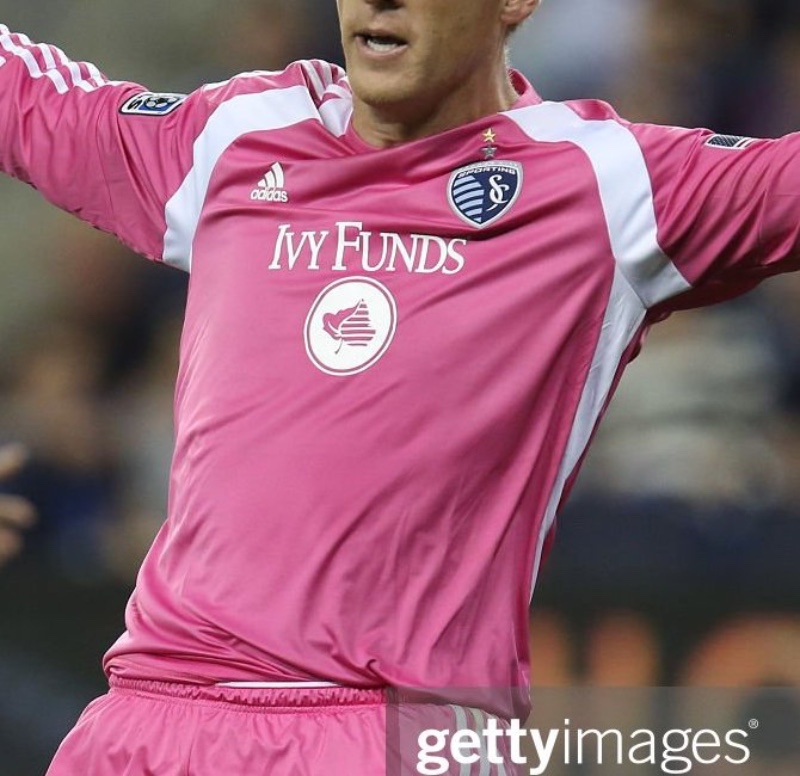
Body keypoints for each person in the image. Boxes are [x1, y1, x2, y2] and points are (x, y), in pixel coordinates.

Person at [2, 0, 800, 773]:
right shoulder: (235, 139)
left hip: (389, 731)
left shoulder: (612, 183)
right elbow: (24, 94)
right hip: (149, 720)